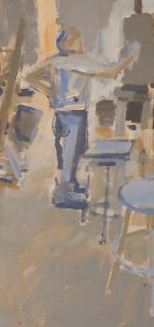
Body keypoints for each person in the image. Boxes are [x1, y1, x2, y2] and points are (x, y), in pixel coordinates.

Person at [24, 28, 129, 209]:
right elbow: (111, 72)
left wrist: (49, 92)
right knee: (71, 154)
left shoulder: (55, 61)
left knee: (68, 153)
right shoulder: (79, 61)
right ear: (70, 43)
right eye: (78, 40)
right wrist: (128, 56)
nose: (81, 43)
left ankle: (70, 185)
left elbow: (30, 76)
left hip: (62, 114)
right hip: (75, 114)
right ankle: (63, 195)